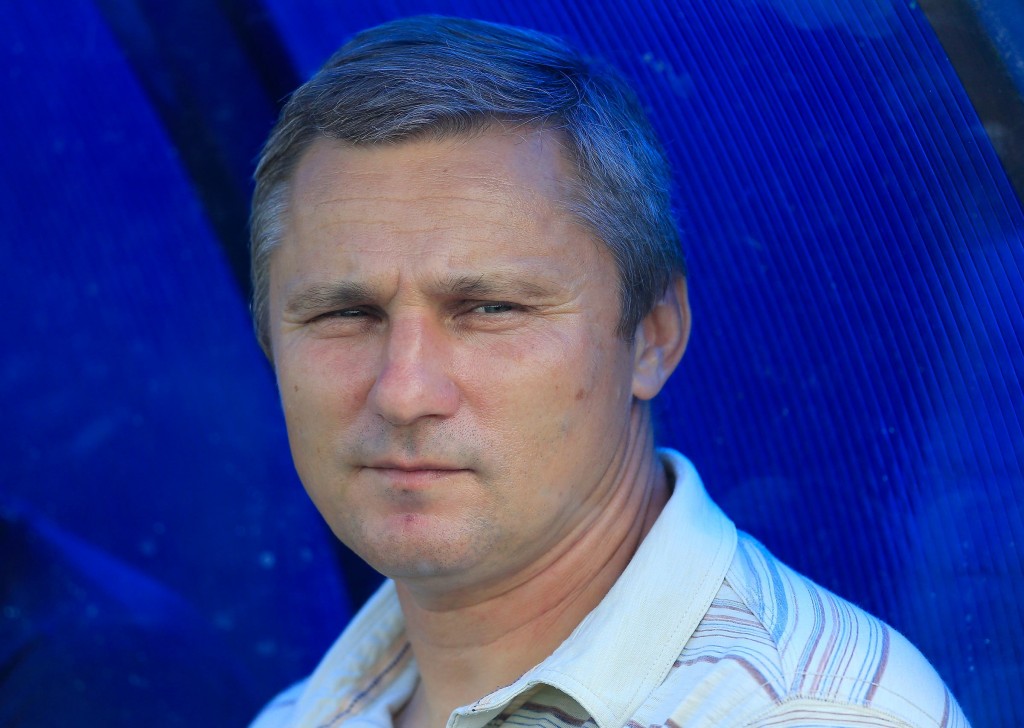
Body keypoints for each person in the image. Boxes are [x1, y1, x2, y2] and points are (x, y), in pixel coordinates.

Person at [247, 15, 969, 728]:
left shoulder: (813, 715)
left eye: (491, 308)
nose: (404, 393)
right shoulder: (296, 717)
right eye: (344, 313)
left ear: (653, 335)